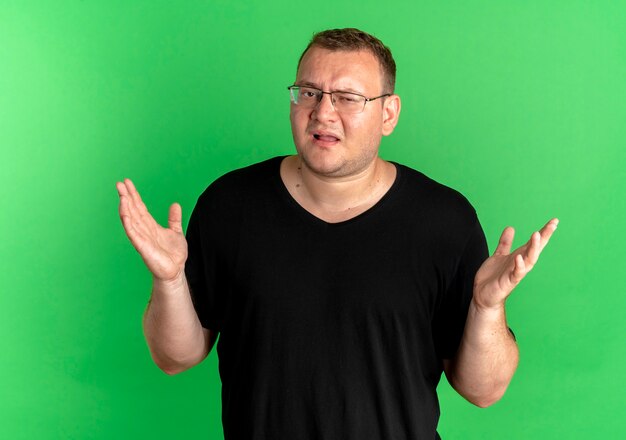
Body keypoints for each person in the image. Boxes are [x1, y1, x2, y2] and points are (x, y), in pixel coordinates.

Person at [116, 28, 558, 439]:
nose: (322, 112)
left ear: (389, 113)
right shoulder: (230, 205)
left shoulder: (444, 221)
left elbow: (483, 390)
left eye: (347, 97)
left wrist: (485, 307)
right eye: (309, 92)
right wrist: (170, 280)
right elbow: (175, 358)